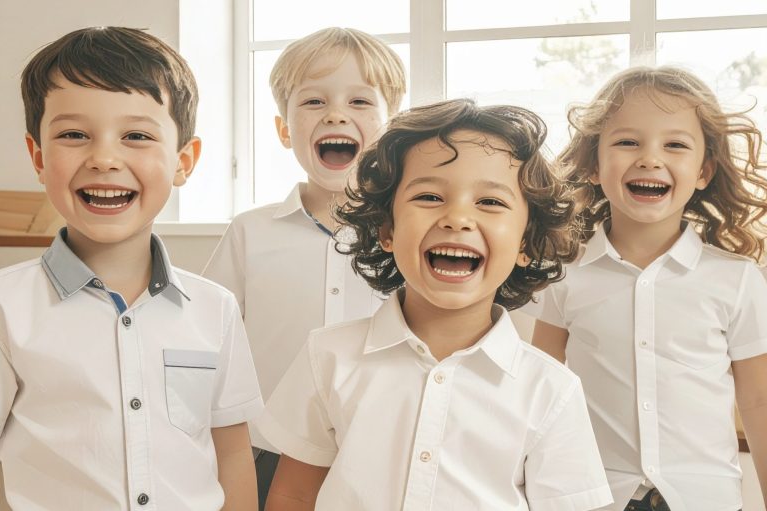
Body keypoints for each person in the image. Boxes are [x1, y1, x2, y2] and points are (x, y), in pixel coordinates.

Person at [256, 99, 613, 510]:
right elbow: (295, 494)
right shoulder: (329, 357)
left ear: (526, 244)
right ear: (387, 229)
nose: (457, 218)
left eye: (490, 202)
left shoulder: (550, 389)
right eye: (429, 196)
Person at [0, 27, 262, 510]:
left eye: (136, 136)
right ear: (38, 157)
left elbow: (231, 452)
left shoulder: (215, 309)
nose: (103, 158)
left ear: (183, 161)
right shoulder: (6, 308)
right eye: (73, 135)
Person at [530, 66, 767, 511]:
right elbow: (536, 389)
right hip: (594, 497)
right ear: (594, 167)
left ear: (704, 171)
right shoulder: (566, 276)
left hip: (707, 499)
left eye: (675, 144)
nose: (650, 159)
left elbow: (758, 401)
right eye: (627, 142)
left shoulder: (736, 280)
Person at [202, 26, 406, 507]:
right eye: (313, 102)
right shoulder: (251, 232)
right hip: (268, 450)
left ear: (391, 127)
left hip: (379, 452)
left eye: (359, 102)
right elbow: (206, 340)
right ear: (284, 128)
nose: (336, 113)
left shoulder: (411, 236)